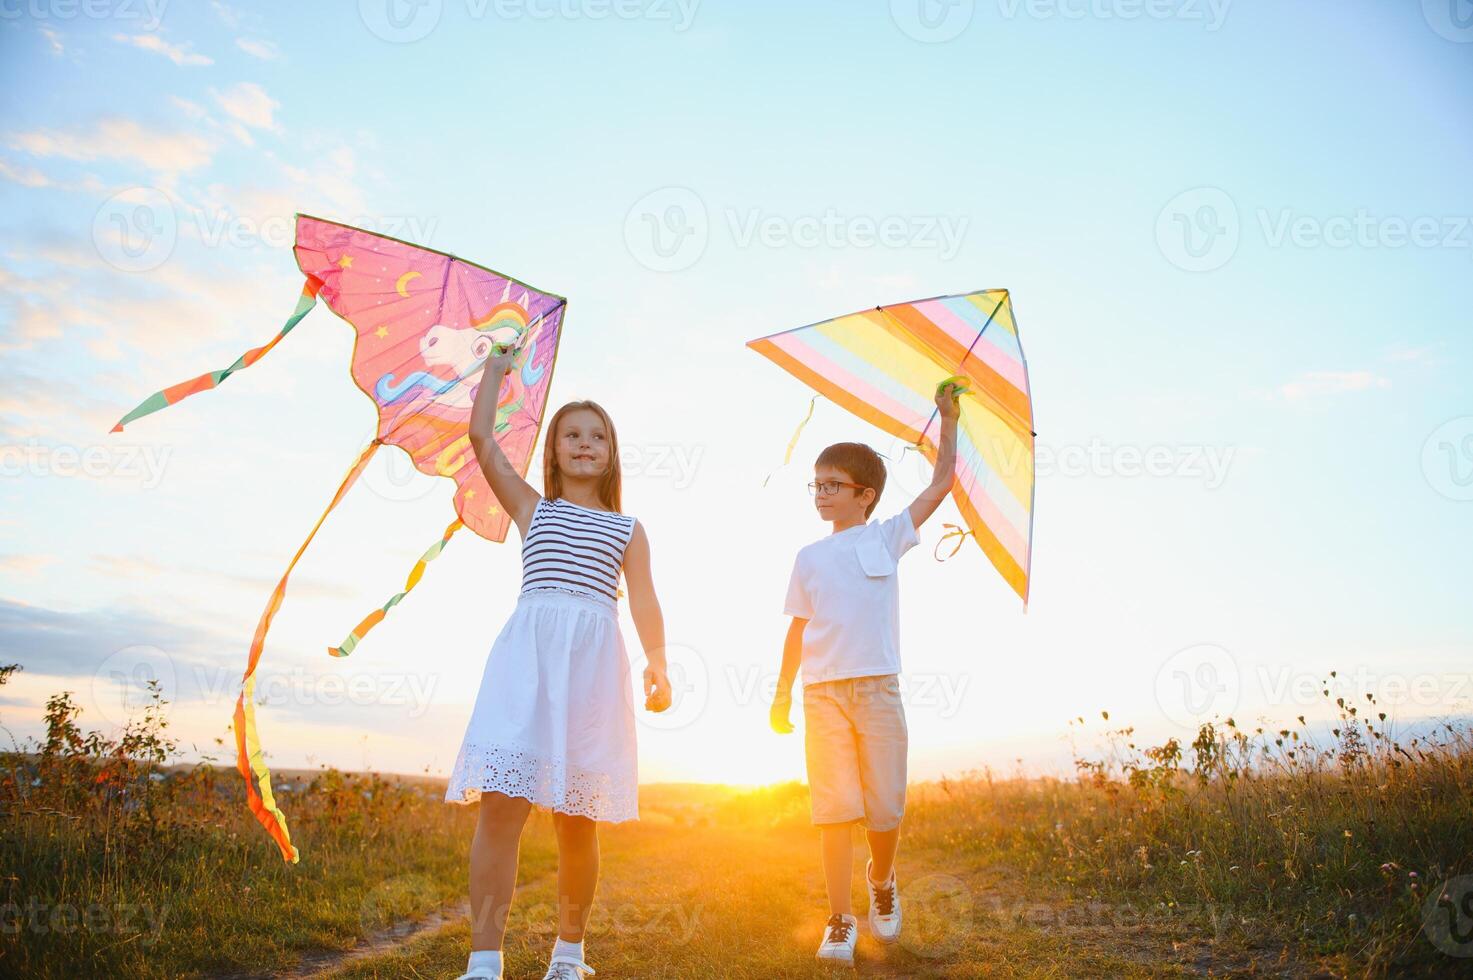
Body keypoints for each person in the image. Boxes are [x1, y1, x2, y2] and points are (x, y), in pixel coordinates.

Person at [448, 344, 672, 980]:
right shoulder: (532, 507)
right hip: (525, 669)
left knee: (576, 822)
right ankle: (484, 962)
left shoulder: (628, 528)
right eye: (572, 434)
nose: (584, 443)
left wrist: (658, 662)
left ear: (611, 452)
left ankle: (569, 956)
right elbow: (481, 437)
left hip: (592, 677)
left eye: (597, 435)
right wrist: (495, 372)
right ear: (553, 450)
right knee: (500, 809)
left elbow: (647, 600)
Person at [770, 381, 963, 967]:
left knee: (884, 809)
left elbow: (941, 484)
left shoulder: (888, 535)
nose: (822, 494)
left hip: (878, 689)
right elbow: (798, 629)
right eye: (817, 485)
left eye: (833, 486)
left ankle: (882, 879)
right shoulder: (807, 557)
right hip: (822, 694)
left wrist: (947, 419)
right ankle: (840, 917)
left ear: (865, 494)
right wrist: (781, 695)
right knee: (834, 807)